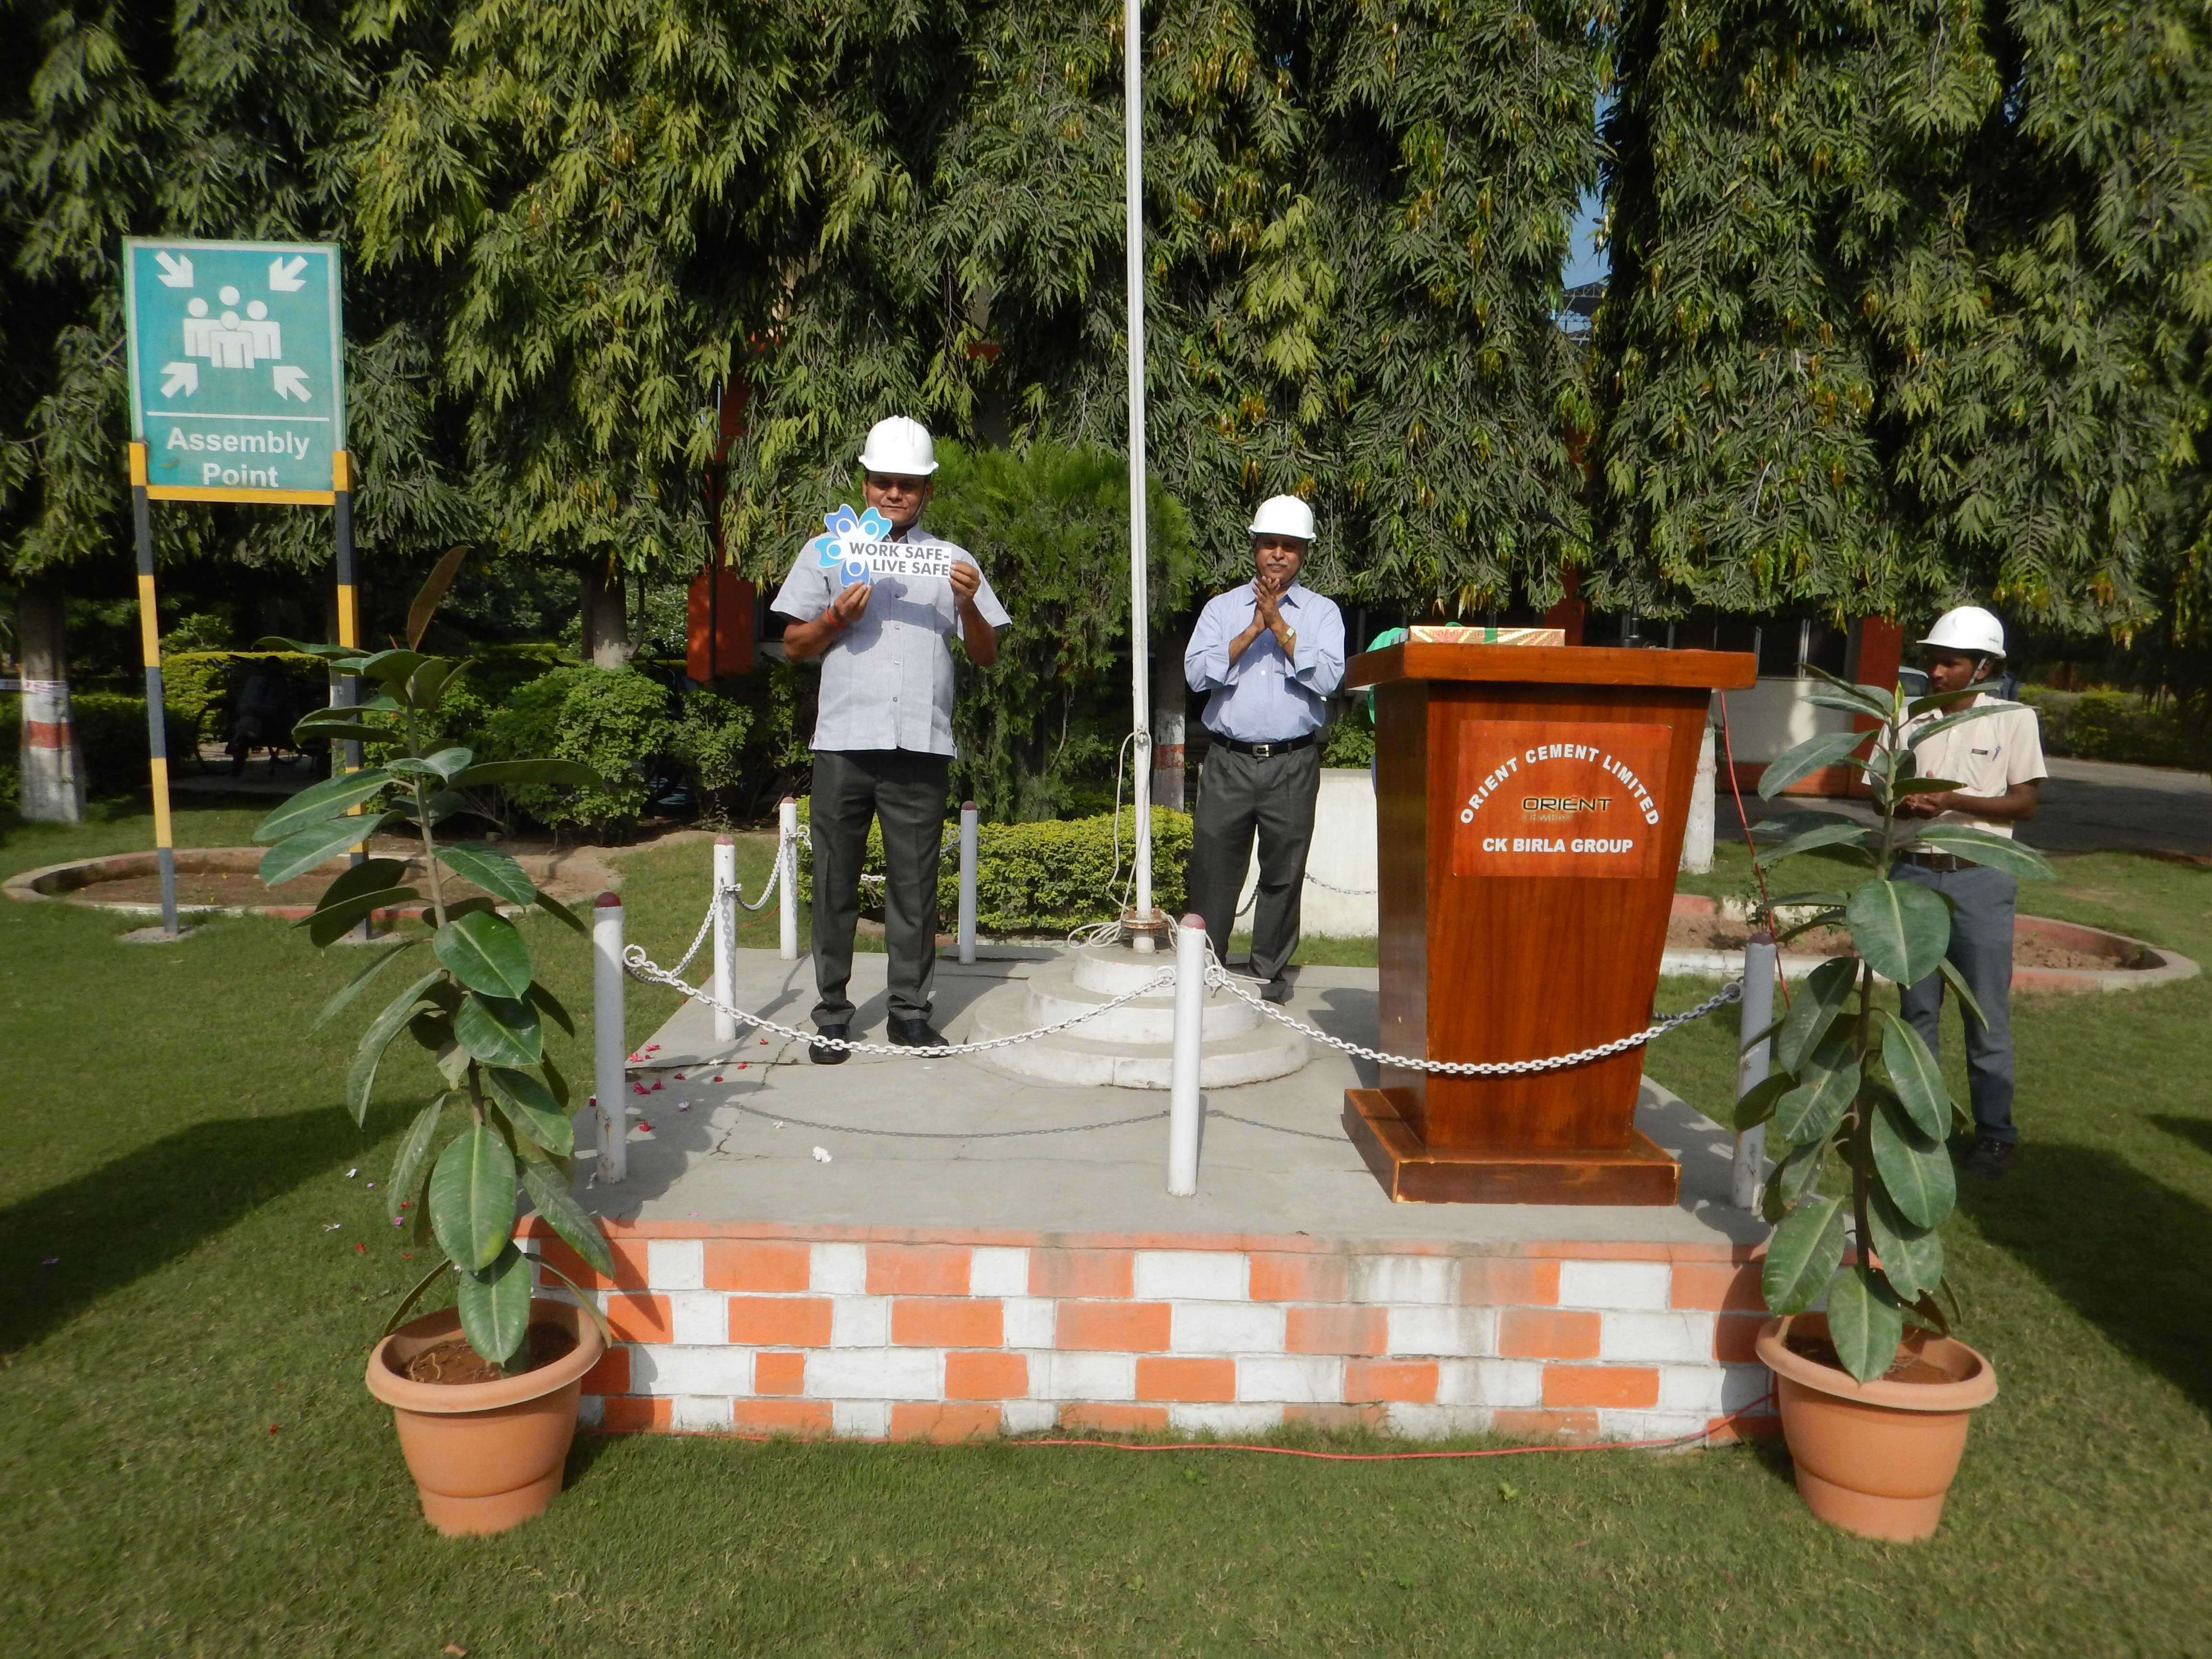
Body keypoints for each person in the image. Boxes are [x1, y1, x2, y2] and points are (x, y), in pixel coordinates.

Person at [773, 417, 1010, 1062]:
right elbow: (793, 645)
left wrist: (966, 605)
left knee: (915, 887)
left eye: (908, 484)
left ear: (927, 491)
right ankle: (831, 1014)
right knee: (834, 883)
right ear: (865, 482)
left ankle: (909, 1012)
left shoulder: (953, 562)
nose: (894, 494)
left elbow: (986, 654)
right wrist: (835, 618)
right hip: (845, 741)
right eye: (883, 481)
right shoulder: (828, 550)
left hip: (920, 746)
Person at [1891, 605, 2046, 1180]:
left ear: (1983, 667)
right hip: (1910, 874)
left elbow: (2025, 803)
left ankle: (1995, 1134)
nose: (1936, 673)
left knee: (1984, 1012)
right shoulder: (1905, 719)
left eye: (1950, 663)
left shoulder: (2013, 721)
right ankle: (1922, 1123)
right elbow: (1871, 791)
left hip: (1980, 877)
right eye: (1933, 661)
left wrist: (1953, 800)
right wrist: (1901, 799)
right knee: (1916, 1012)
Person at [1183, 495, 1346, 1001]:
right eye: (1270, 544)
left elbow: (1331, 678)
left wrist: (1280, 626)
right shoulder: (1222, 608)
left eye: (1290, 547)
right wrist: (1254, 627)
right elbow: (1195, 675)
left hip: (1293, 762)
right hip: (1229, 758)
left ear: (1304, 554)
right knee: (1214, 867)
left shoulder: (1322, 613)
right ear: (1255, 547)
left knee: (1283, 871)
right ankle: (1205, 967)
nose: (1279, 554)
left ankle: (1266, 974)